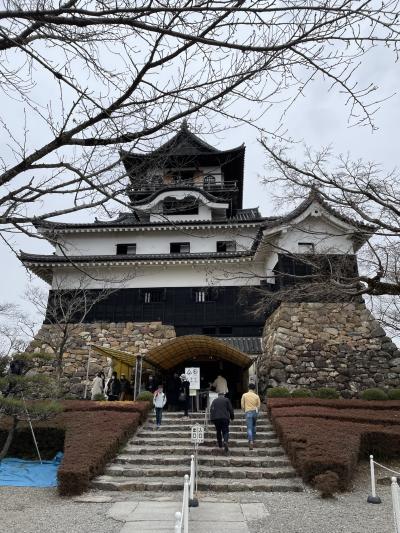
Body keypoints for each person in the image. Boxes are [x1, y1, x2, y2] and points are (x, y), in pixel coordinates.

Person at [241, 383, 261, 450]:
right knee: (254, 426)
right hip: (255, 412)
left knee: (249, 428)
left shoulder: (244, 395)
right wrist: (256, 411)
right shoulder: (256, 396)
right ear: (254, 388)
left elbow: (242, 405)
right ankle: (253, 438)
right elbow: (258, 406)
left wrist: (245, 410)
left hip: (248, 412)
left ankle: (251, 441)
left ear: (248, 388)